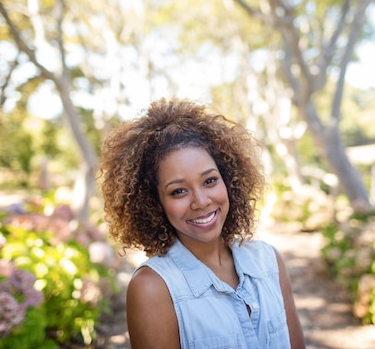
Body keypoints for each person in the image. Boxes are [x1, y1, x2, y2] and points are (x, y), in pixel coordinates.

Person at [99, 98, 306, 349]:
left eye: (209, 181)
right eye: (178, 191)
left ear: (228, 180)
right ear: (154, 202)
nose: (201, 201)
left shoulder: (269, 261)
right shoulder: (152, 288)